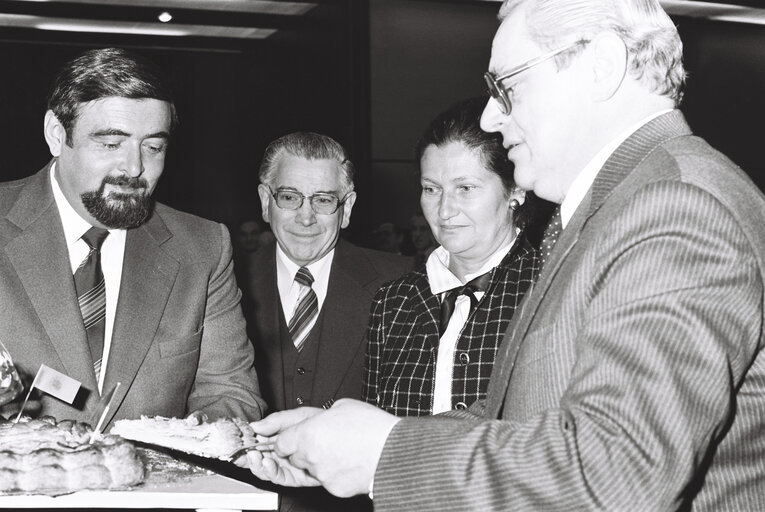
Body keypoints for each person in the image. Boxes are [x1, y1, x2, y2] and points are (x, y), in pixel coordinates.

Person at [239, 1, 765, 510]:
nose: (491, 117)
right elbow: (515, 417)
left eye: (507, 86)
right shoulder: (627, 202)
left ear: (601, 66)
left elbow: (616, 476)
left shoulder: (673, 205)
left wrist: (383, 454)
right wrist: (340, 443)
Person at [0, 48, 265, 428]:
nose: (135, 167)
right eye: (111, 144)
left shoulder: (203, 248)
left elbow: (231, 394)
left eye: (153, 147)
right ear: (57, 135)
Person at [246, 131, 412, 512]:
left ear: (347, 207)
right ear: (265, 201)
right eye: (289, 197)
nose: (306, 217)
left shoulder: (402, 283)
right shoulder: (222, 281)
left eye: (323, 200)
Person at [363, 97, 538, 416]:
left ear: (515, 190)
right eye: (431, 189)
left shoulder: (546, 291)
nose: (443, 210)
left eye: (465, 188)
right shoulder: (394, 301)